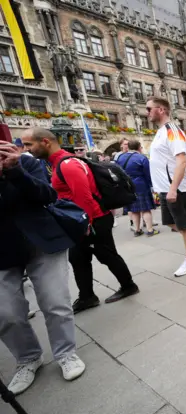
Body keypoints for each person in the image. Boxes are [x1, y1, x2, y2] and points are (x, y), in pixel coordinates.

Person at [0, 142, 86, 395]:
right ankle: (28, 358)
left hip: (42, 242)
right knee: (6, 312)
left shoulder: (25, 162)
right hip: (3, 251)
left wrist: (15, 171)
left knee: (55, 302)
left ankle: (66, 353)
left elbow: (47, 195)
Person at [24, 128, 140, 312]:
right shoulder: (57, 163)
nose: (26, 149)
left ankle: (128, 285)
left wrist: (86, 225)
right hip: (82, 221)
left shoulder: (68, 164)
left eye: (29, 144)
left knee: (107, 255)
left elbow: (84, 197)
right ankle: (87, 297)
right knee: (78, 259)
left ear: (45, 141)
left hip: (92, 221)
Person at [147, 96, 186, 276]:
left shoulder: (172, 131)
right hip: (165, 188)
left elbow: (181, 161)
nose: (147, 112)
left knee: (184, 225)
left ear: (161, 110)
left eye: (149, 108)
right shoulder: (161, 132)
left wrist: (173, 188)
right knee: (171, 223)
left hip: (178, 188)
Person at [115, 140, 159, 237]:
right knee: (146, 209)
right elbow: (148, 173)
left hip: (128, 186)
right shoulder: (141, 157)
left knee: (134, 209)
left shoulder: (121, 157)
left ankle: (137, 230)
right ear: (139, 147)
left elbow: (117, 172)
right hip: (141, 185)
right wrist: (152, 185)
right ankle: (150, 230)